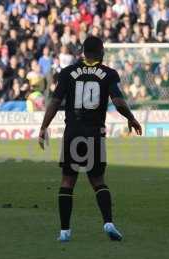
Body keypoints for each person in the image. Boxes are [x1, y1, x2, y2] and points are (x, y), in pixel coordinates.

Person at [38, 36, 142, 242]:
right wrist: (131, 117)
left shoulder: (67, 73)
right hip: (95, 134)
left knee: (68, 181)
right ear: (102, 52)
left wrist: (44, 126)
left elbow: (55, 102)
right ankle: (108, 223)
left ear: (83, 52)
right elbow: (118, 100)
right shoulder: (108, 74)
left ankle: (65, 232)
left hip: (72, 133)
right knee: (98, 181)